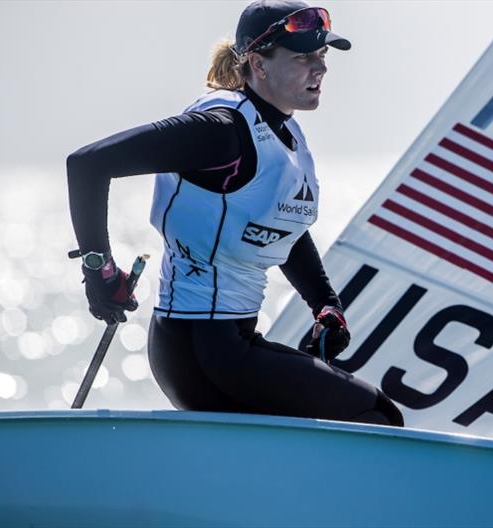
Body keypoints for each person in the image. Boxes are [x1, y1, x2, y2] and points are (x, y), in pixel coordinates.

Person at [66, 0, 404, 427]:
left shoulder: (285, 132)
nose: (319, 69)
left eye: (321, 56)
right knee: (376, 415)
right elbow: (87, 164)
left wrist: (325, 305)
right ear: (259, 65)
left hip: (225, 349)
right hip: (203, 352)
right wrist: (100, 270)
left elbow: (282, 224)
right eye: (303, 57)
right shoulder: (220, 131)